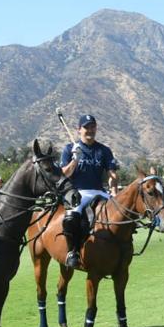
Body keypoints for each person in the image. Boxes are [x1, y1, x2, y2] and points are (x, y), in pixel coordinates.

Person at [60, 114, 119, 269]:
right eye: (86, 127)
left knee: (121, 213)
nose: (90, 130)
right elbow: (64, 174)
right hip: (78, 192)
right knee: (71, 218)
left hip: (99, 191)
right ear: (79, 130)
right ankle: (73, 252)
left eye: (92, 127)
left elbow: (112, 174)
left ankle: (122, 247)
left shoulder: (104, 150)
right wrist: (75, 159)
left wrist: (113, 190)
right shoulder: (69, 149)